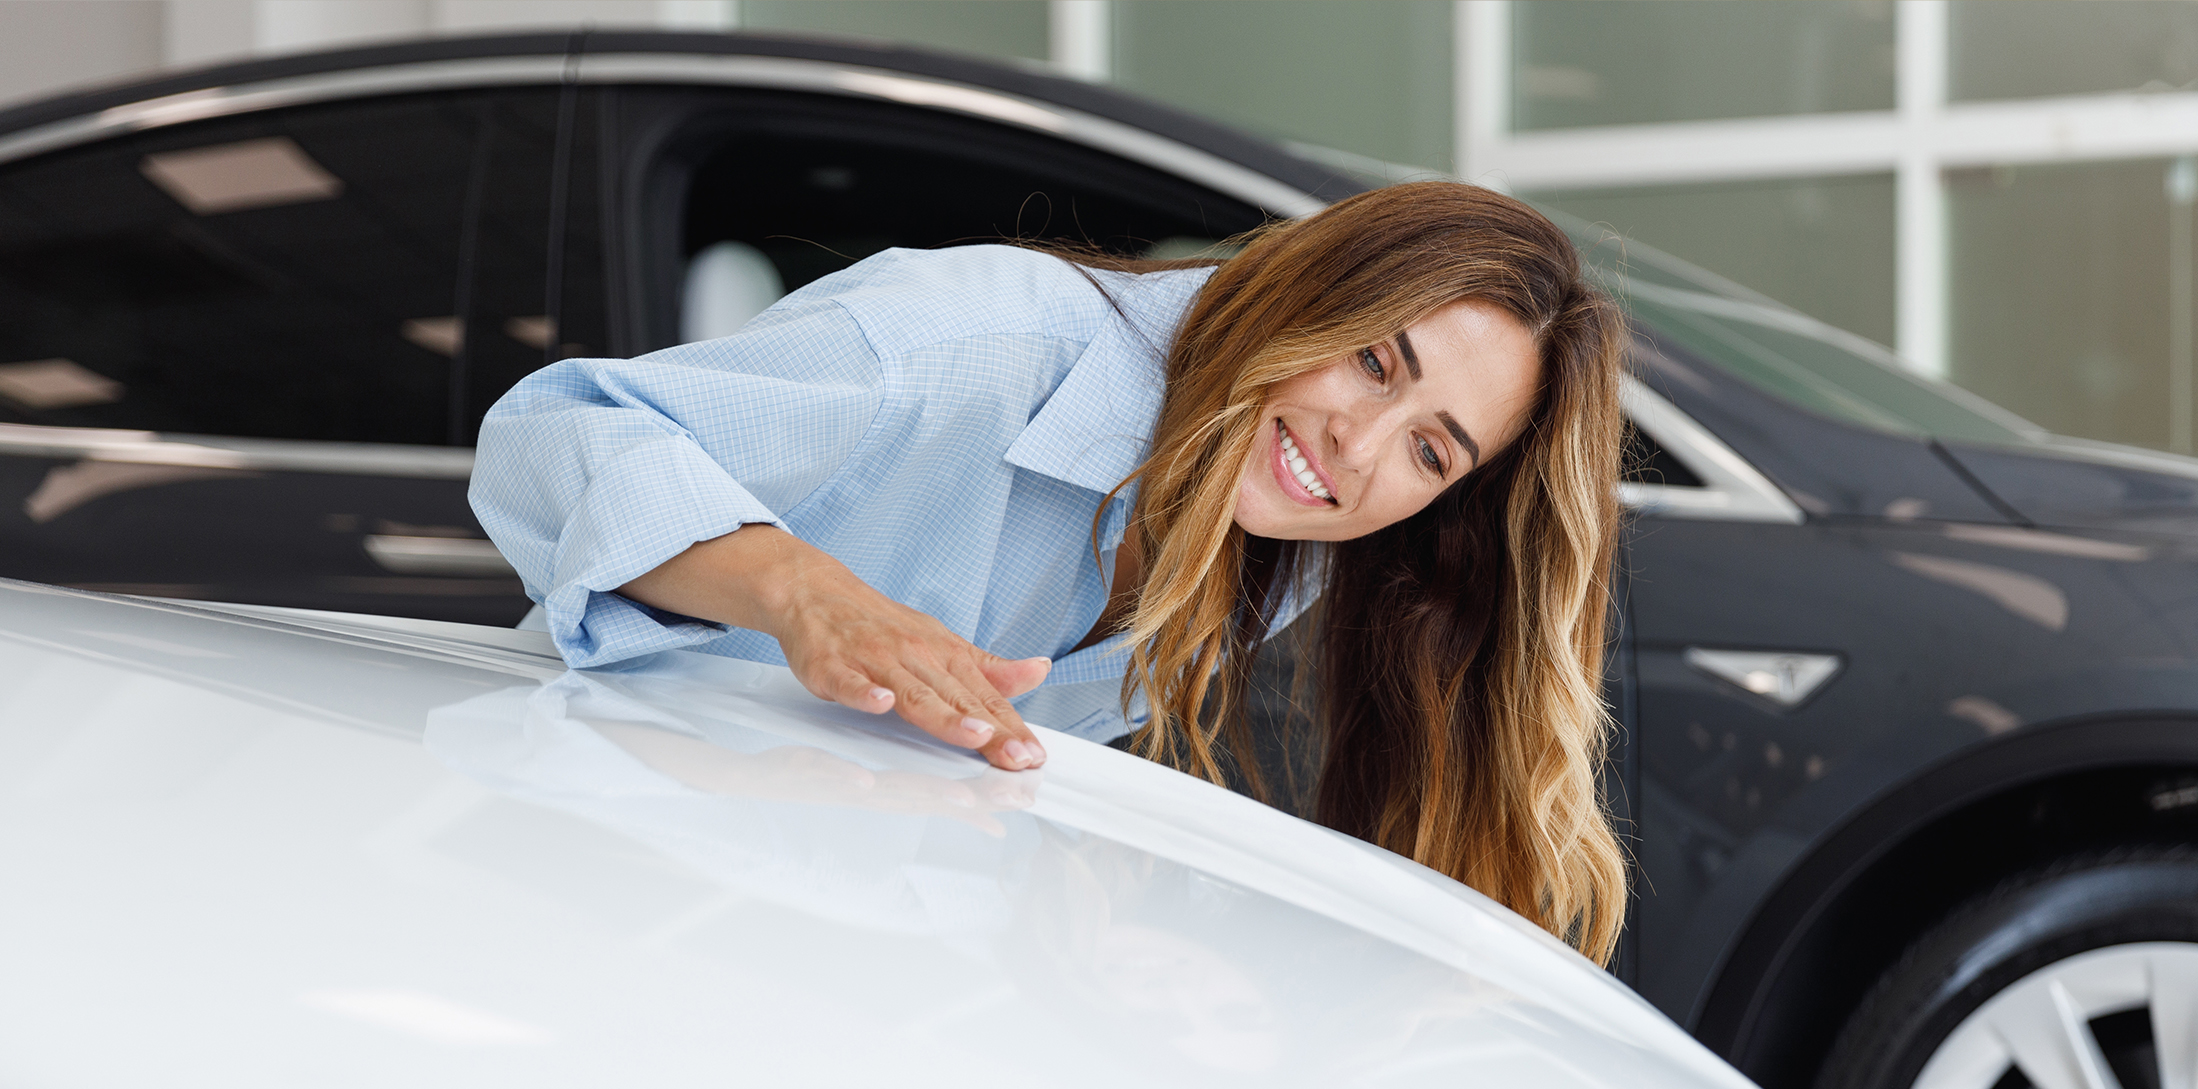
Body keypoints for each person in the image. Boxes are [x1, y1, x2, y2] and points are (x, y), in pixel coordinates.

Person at [470, 181, 1631, 960]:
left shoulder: (1288, 528)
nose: (1359, 448)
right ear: (1305, 290)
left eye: (1431, 447)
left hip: (831, 959)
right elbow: (552, 431)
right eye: (1374, 360)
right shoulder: (969, 341)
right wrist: (800, 591)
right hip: (592, 888)